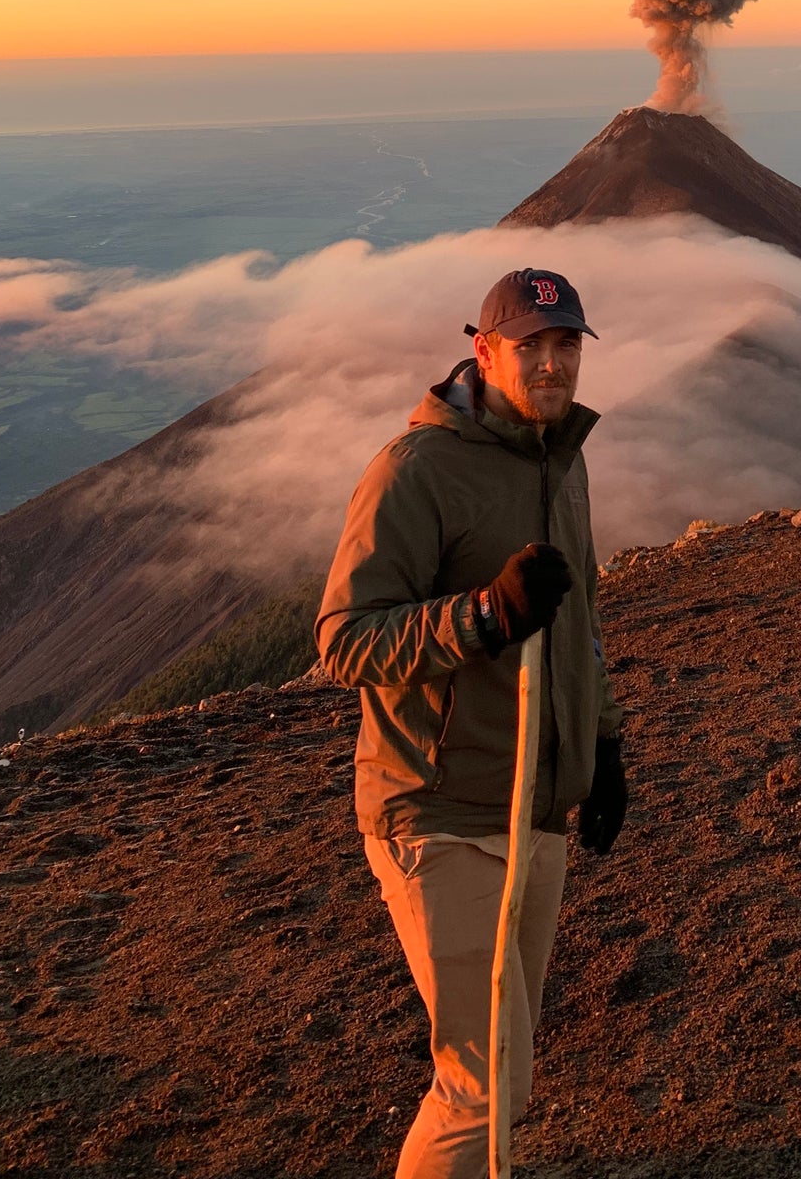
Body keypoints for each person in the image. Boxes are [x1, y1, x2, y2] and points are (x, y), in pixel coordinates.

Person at [315, 268, 625, 1179]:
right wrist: (482, 617)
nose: (553, 362)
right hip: (439, 809)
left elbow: (582, 622)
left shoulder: (557, 458)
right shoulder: (416, 470)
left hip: (531, 807)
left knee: (509, 1081)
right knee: (484, 1083)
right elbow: (343, 641)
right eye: (531, 344)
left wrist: (603, 746)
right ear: (483, 349)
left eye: (566, 343)